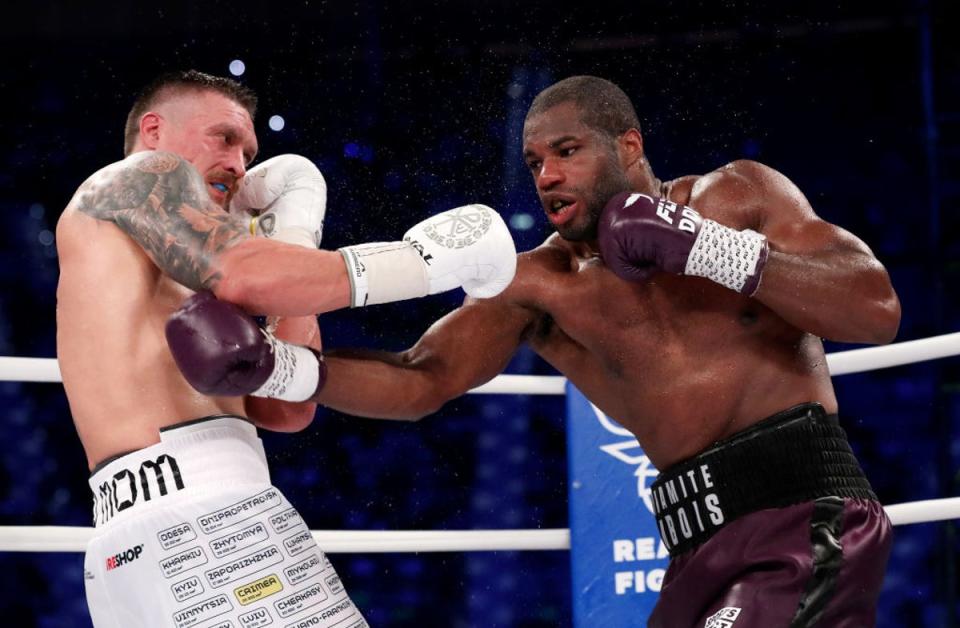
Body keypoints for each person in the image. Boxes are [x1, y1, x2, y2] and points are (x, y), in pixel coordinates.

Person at [168, 75, 901, 626]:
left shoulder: (733, 199)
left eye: (567, 152)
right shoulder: (538, 286)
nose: (546, 176)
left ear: (630, 147)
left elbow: (874, 308)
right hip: (697, 550)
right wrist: (282, 369)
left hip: (807, 516)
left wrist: (705, 248)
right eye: (534, 161)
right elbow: (422, 380)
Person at [56, 69, 516, 628]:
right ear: (153, 130)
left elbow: (286, 409)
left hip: (129, 548)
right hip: (211, 524)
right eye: (224, 138)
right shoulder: (131, 178)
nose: (240, 164)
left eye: (249, 151)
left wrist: (293, 239)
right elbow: (243, 275)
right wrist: (418, 263)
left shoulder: (176, 254)